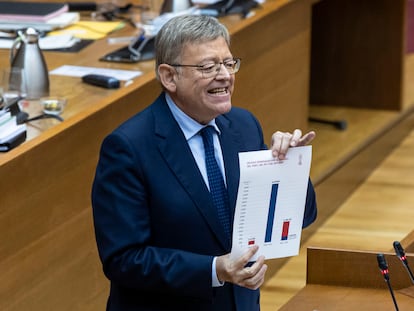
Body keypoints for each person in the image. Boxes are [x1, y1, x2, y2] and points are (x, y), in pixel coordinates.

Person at [91, 14, 317, 311]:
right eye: (208, 67)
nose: (224, 75)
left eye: (228, 63)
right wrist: (215, 270)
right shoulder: (128, 148)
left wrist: (291, 169)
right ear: (169, 76)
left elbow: (300, 217)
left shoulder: (243, 126)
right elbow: (124, 259)